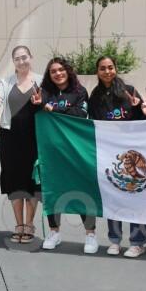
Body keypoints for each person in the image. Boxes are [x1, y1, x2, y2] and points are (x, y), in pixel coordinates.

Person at [88, 55, 146, 258]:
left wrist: (140, 109)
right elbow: (93, 124)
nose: (107, 71)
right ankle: (114, 240)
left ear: (115, 68)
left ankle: (137, 242)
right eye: (102, 68)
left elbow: (144, 120)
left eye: (110, 67)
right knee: (113, 197)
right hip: (109, 154)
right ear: (97, 72)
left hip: (134, 153)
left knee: (135, 196)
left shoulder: (129, 91)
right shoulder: (95, 96)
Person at [38, 57, 95, 253]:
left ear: (68, 71)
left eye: (61, 70)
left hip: (75, 149)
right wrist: (38, 104)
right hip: (51, 151)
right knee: (52, 190)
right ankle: (54, 232)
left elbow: (81, 114)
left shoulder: (79, 91)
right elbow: (37, 112)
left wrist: (55, 108)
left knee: (82, 189)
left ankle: (90, 234)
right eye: (53, 71)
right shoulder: (44, 93)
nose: (58, 74)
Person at [0, 46, 43, 244]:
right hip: (10, 137)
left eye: (24, 57)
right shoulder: (5, 82)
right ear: (13, 62)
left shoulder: (41, 81)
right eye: (17, 59)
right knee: (14, 180)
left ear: (31, 57)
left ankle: (29, 224)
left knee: (32, 180)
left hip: (35, 138)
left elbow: (47, 106)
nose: (21, 61)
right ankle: (19, 224)